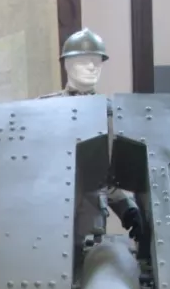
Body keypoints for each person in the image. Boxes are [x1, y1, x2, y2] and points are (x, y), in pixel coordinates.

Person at [40, 28, 143, 243]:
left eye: (97, 61)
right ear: (67, 64)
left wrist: (128, 209)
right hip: (49, 214)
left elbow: (105, 177)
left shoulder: (107, 113)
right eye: (83, 60)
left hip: (91, 220)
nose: (92, 66)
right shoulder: (44, 111)